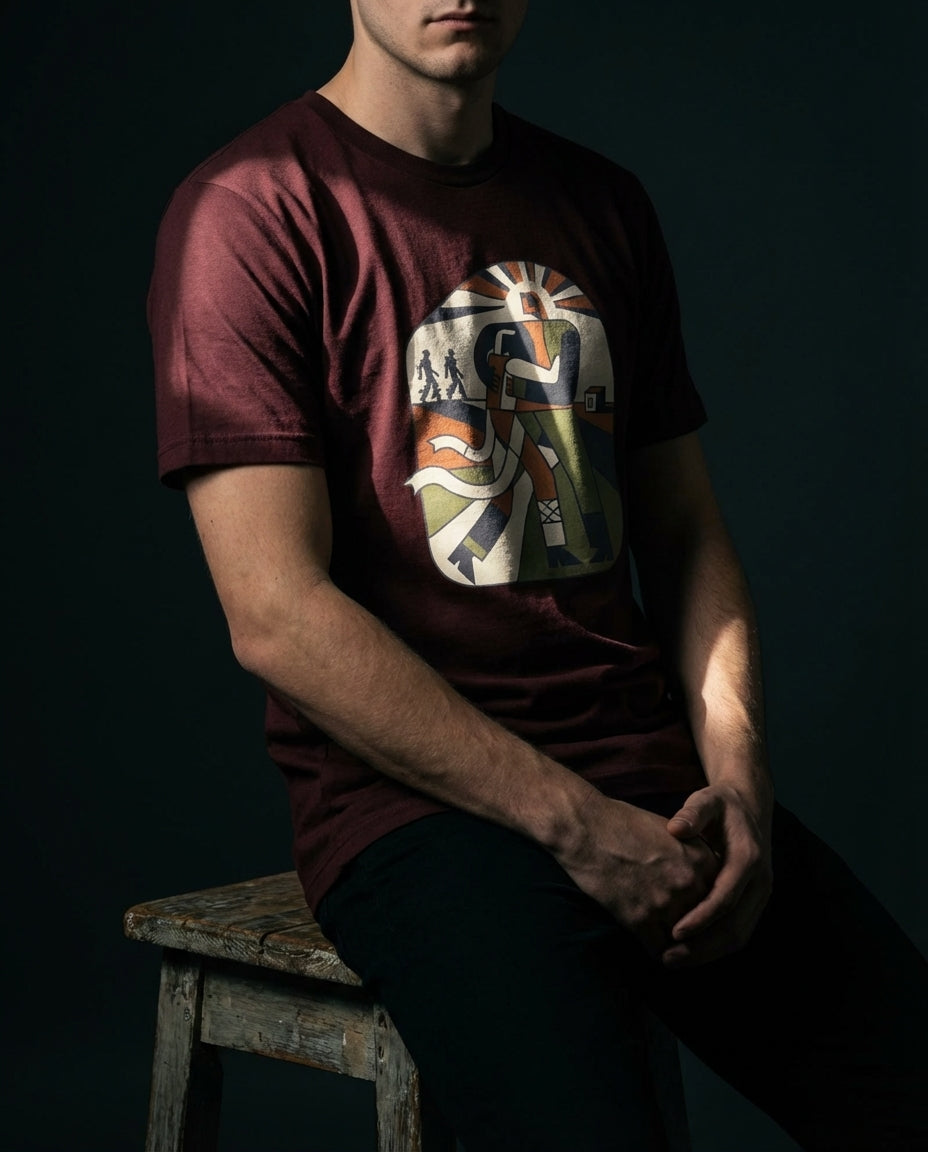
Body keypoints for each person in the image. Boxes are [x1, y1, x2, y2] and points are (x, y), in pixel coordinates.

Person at [148, 3, 928, 1149]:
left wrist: (741, 778)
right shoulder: (251, 209)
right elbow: (275, 614)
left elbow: (686, 534)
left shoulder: (601, 203)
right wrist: (574, 826)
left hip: (656, 783)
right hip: (421, 812)